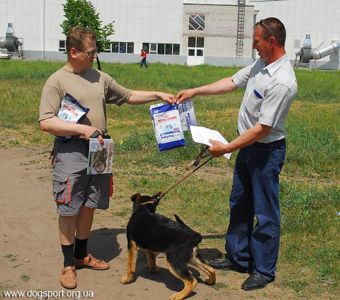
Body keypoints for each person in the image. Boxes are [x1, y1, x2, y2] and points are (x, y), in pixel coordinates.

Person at [39, 26, 175, 289]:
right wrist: (83, 129)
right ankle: (68, 265)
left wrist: (157, 94)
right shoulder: (56, 81)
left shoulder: (99, 77)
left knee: (89, 205)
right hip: (70, 154)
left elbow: (128, 95)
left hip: (98, 154)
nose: (95, 55)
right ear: (74, 52)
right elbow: (46, 122)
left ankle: (81, 255)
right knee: (69, 209)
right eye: (90, 52)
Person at [176, 17, 297, 291]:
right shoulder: (261, 64)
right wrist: (195, 90)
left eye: (256, 41)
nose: (254, 46)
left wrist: (227, 148)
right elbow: (231, 82)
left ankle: (264, 271)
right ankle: (239, 258)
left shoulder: (282, 82)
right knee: (239, 203)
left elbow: (263, 129)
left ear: (272, 41)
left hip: (265, 153)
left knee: (266, 214)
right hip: (247, 148)